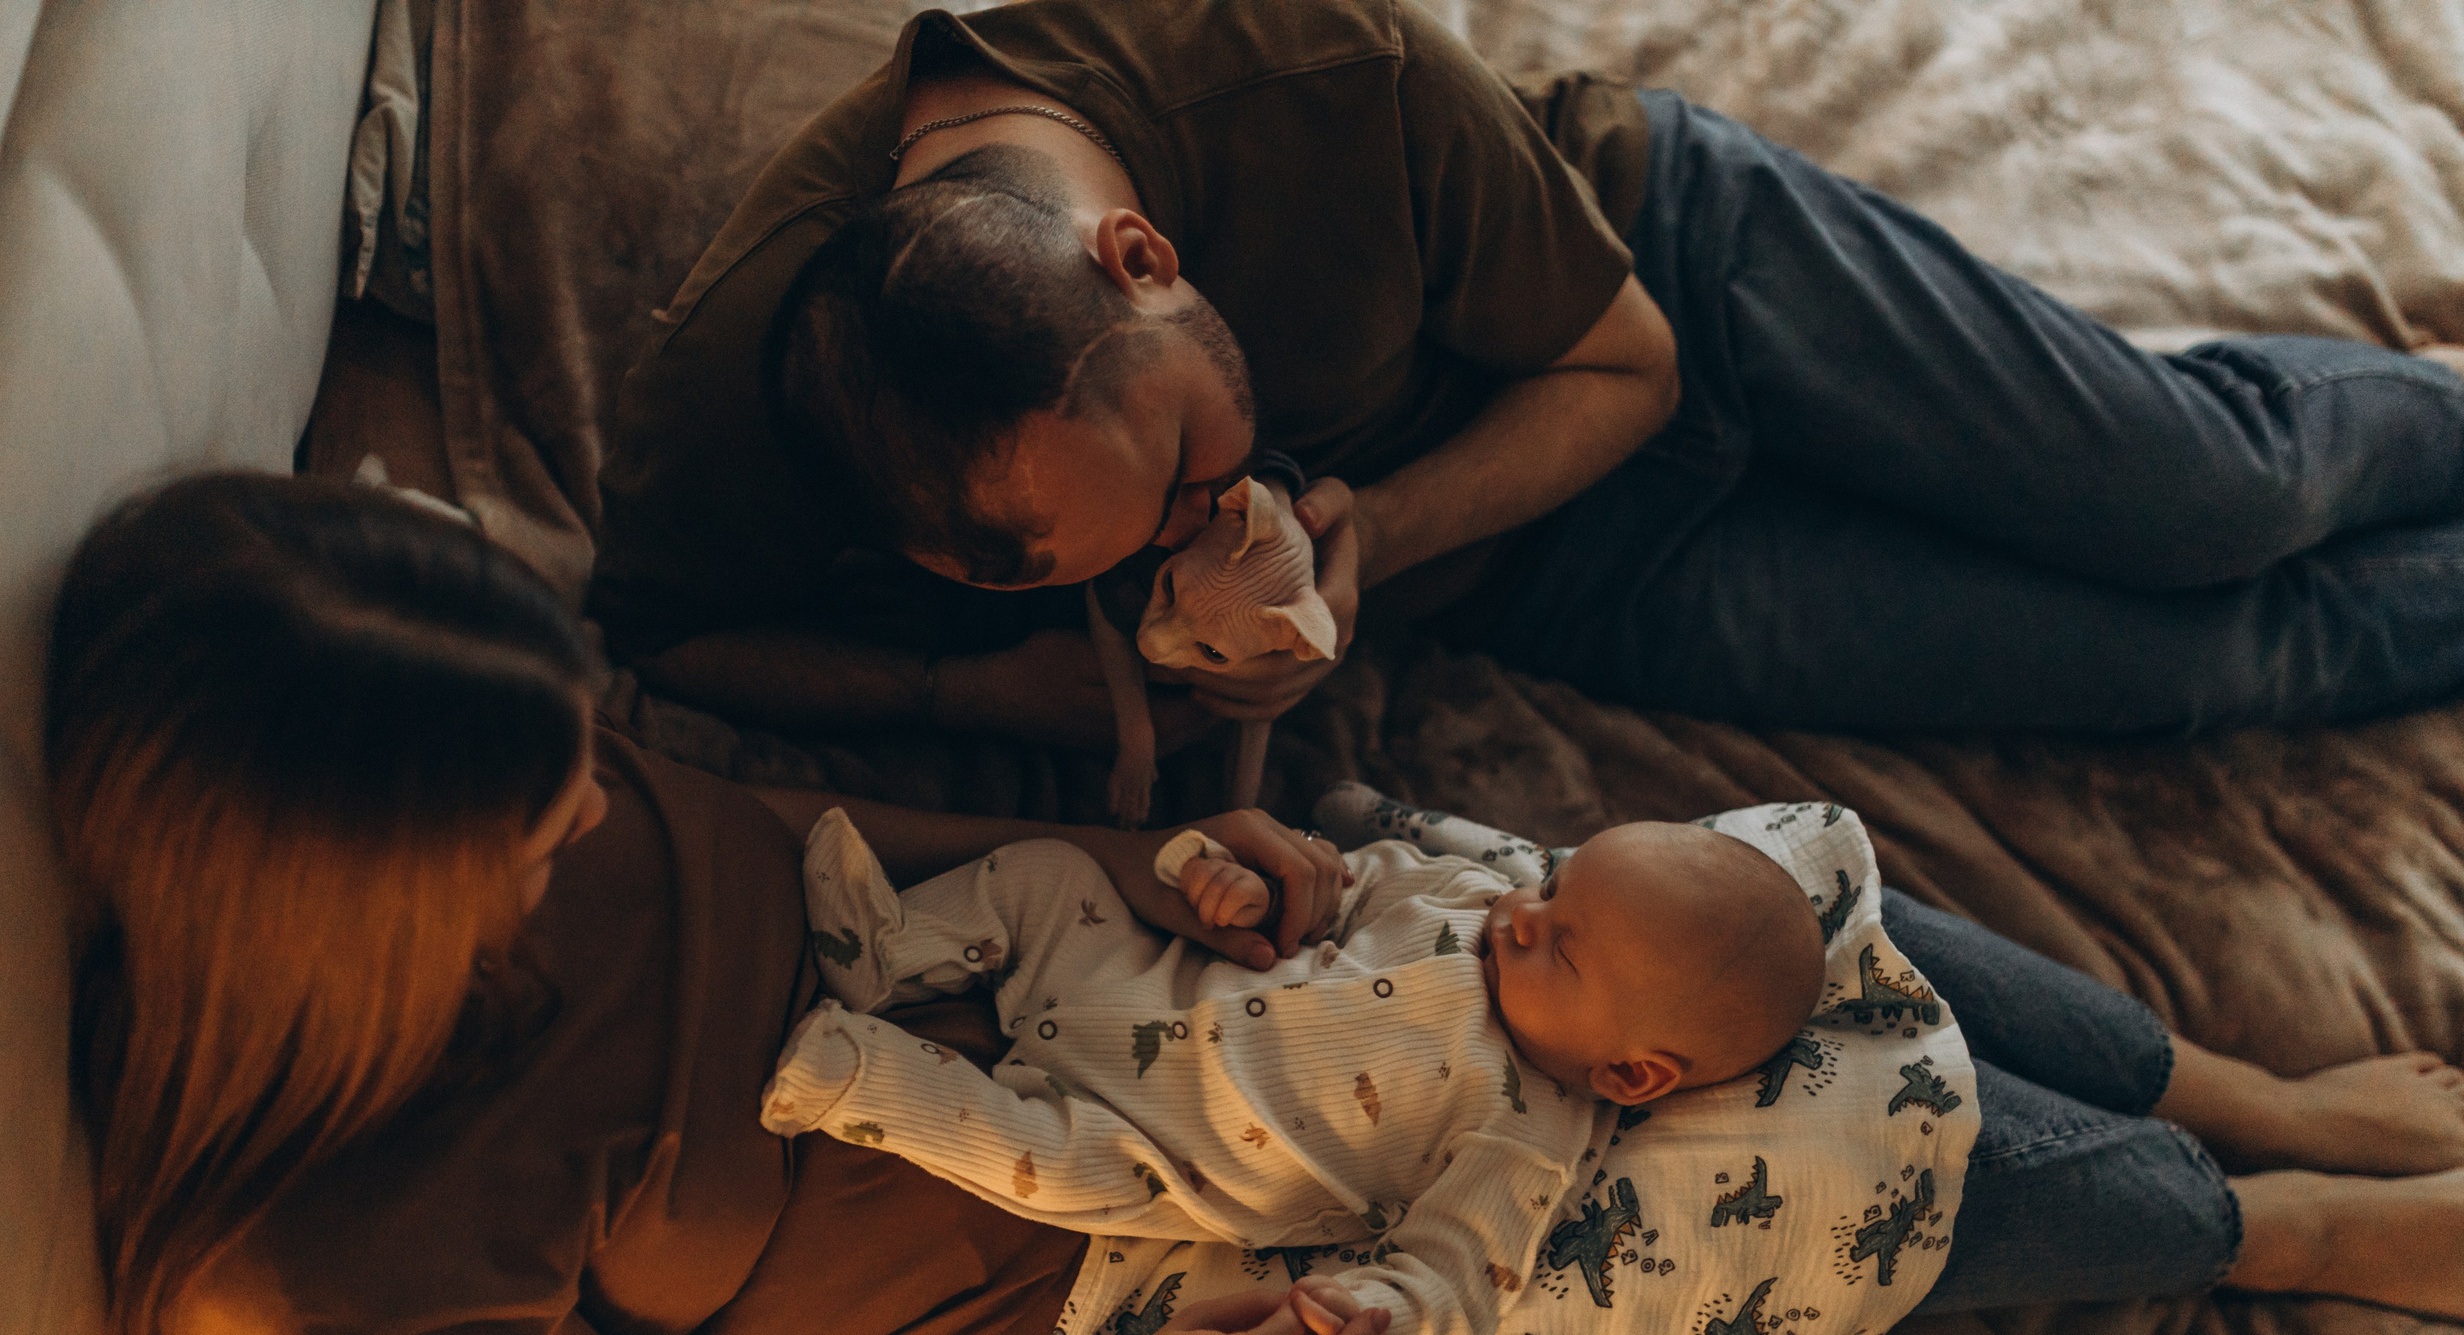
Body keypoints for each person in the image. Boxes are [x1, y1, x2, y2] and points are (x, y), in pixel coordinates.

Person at [54, 474, 2464, 1335]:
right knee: (1795, 1151)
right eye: (539, 825)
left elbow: (802, 855)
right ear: (346, 910)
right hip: (1117, 1311)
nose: (593, 811)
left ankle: (2239, 1078)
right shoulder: (334, 1287)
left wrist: (1159, 858)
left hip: (1118, 984)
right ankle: (2269, 1216)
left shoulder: (490, 756)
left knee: (1732, 896)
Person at [593, 0, 2464, 763]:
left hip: (1668, 286)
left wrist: (1369, 530)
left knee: (2217, 500)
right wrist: (1011, 687)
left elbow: (1622, 361)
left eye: (1189, 472)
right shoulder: (740, 408)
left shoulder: (1299, 55)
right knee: (2213, 663)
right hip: (1562, 568)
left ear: (1143, 261)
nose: (1194, 530)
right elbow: (666, 645)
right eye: (1107, 548)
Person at [763, 810, 1825, 1335]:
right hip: (1130, 979)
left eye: (1559, 948)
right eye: (1549, 884)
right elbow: (1344, 883)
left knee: (1029, 1159)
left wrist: (1363, 1314)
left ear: (1629, 1073)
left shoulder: (1526, 1135)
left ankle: (857, 1076)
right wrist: (1249, 884)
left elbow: (1453, 1284)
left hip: (1151, 1145)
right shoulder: (1464, 895)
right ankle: (887, 954)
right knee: (1048, 875)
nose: (1517, 913)